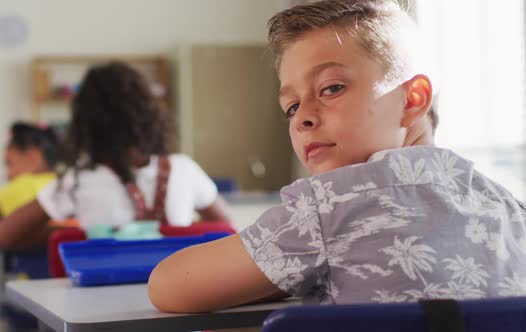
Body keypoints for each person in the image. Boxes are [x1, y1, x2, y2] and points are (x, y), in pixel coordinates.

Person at [147, 0, 526, 313]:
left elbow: (168, 287)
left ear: (412, 99)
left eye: (331, 88)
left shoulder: (332, 205)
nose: (304, 118)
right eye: (291, 107)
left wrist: (287, 272)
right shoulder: (508, 207)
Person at [0, 62, 231, 250]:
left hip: (99, 308)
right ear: (151, 115)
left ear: (85, 124)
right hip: (178, 301)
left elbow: (2, 236)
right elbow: (227, 229)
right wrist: (183, 231)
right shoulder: (184, 168)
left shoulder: (79, 179)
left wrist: (61, 235)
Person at [0, 122, 59, 226]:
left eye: (9, 164)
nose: (7, 176)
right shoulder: (63, 181)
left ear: (32, 158)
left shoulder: (27, 184)